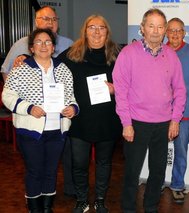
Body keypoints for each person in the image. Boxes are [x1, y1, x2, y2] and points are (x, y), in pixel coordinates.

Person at [113, 8, 186, 213]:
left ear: (164, 30)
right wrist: (126, 123)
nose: (155, 30)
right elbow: (120, 92)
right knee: (132, 171)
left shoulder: (171, 55)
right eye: (151, 25)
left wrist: (175, 120)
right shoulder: (128, 53)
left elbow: (180, 90)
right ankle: (128, 208)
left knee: (158, 171)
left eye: (160, 26)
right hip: (136, 123)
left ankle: (151, 206)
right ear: (142, 28)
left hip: (163, 124)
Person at [0, 6, 75, 198]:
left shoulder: (63, 69)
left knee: (51, 173)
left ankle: (47, 208)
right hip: (31, 130)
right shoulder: (21, 68)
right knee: (34, 172)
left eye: (48, 42)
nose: (43, 45)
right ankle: (34, 208)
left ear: (53, 47)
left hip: (57, 130)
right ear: (31, 47)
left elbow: (71, 96)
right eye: (39, 42)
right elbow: (7, 95)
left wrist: (73, 108)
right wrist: (28, 107)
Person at [57, 15, 121, 213]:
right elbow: (50, 68)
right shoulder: (71, 54)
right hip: (80, 120)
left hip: (107, 120)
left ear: (107, 32)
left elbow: (132, 83)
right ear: (84, 31)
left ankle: (100, 200)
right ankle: (82, 200)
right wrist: (24, 59)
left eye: (101, 28)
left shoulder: (117, 55)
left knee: (104, 163)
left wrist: (116, 88)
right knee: (79, 164)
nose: (96, 32)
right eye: (91, 27)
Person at [165, 17, 189, 203]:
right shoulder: (158, 51)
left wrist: (176, 92)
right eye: (171, 30)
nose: (174, 34)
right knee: (157, 150)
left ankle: (177, 184)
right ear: (166, 32)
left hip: (184, 112)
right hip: (158, 112)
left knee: (180, 150)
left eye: (178, 30)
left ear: (184, 32)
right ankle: (156, 182)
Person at [1, 6, 73, 82]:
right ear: (36, 22)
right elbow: (5, 71)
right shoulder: (21, 44)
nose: (50, 23)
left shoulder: (69, 45)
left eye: (54, 19)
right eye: (46, 19)